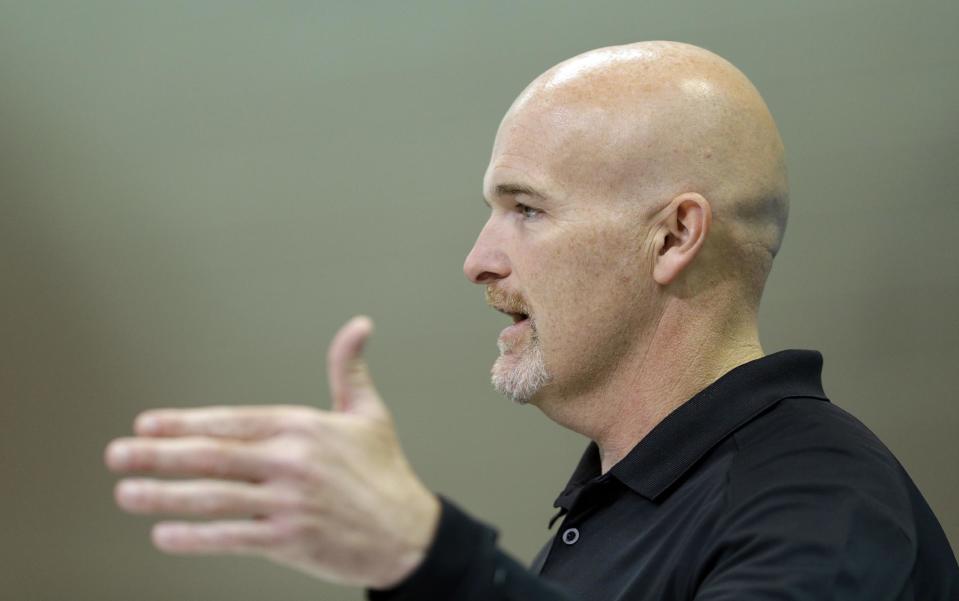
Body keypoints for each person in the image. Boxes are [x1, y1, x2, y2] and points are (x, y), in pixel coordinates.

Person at [104, 41, 958, 600]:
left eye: (526, 209)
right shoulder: (626, 505)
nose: (478, 258)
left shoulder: (821, 502)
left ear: (672, 237)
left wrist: (424, 555)